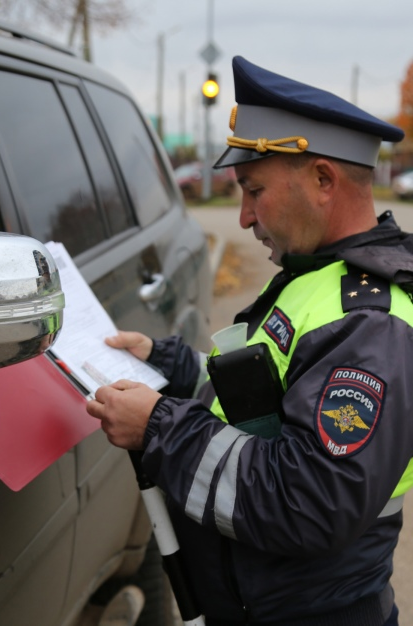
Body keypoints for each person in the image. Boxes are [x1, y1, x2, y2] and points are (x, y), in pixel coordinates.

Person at [86, 56, 413, 626]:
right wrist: (167, 365)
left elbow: (308, 501)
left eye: (253, 190)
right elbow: (266, 400)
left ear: (322, 181)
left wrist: (160, 427)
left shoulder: (371, 324)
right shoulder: (317, 279)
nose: (241, 218)